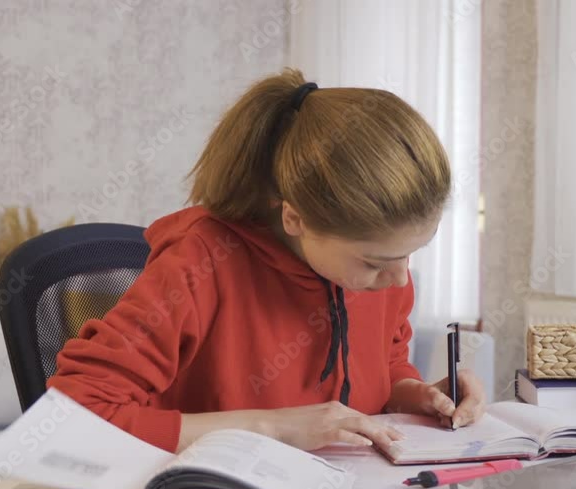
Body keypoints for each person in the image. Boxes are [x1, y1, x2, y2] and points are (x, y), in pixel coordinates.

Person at [47, 68, 486, 453]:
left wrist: (415, 393)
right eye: (375, 262)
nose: (399, 280)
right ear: (295, 218)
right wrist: (274, 428)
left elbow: (384, 365)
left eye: (410, 254)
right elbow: (73, 415)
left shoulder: (379, 278)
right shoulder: (199, 263)